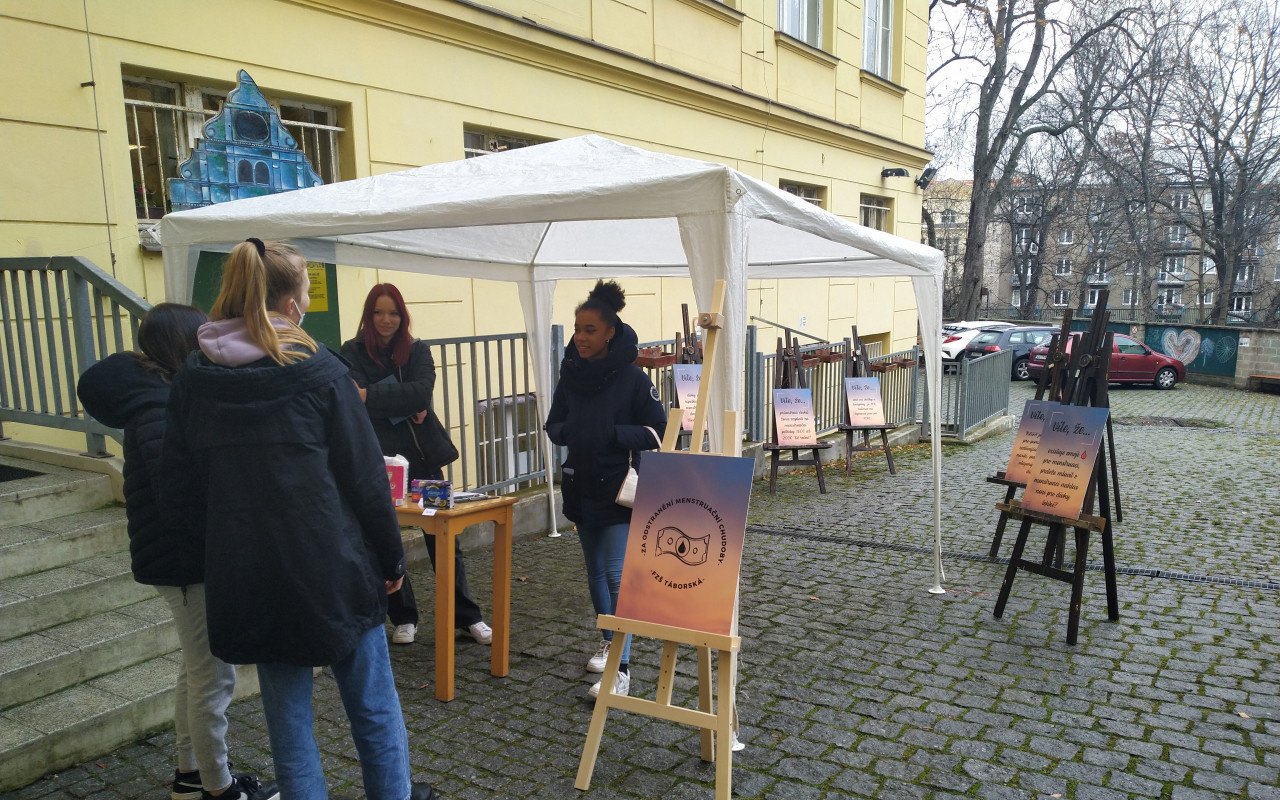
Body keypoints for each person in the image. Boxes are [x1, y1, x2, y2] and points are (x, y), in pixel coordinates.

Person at [161, 239, 436, 800]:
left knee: (289, 728)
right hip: (333, 569)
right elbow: (365, 481)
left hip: (249, 576)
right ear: (288, 306)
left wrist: (207, 565)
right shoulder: (319, 372)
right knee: (374, 714)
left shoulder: (194, 377)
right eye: (307, 292)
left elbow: (179, 487)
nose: (308, 304)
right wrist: (391, 562)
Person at [78, 304, 277, 800]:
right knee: (214, 677)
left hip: (181, 561)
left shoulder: (162, 397)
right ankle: (218, 787)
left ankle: (192, 775)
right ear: (183, 344)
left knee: (197, 672)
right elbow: (182, 497)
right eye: (202, 334)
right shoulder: (158, 407)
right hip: (186, 565)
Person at [341, 283, 492, 648]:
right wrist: (399, 400)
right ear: (368, 315)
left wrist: (374, 396)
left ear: (403, 316)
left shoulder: (418, 349)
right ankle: (403, 616)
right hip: (379, 463)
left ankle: (466, 616)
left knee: (443, 537)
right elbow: (352, 396)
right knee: (384, 539)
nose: (386, 320)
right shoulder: (351, 351)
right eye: (378, 312)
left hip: (423, 460)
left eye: (393, 312)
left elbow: (420, 393)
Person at [544, 280, 666, 698]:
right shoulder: (570, 376)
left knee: (617, 576)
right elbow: (553, 425)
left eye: (590, 329)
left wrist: (611, 434)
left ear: (610, 331)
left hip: (619, 490)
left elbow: (657, 431)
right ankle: (610, 641)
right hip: (581, 485)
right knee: (595, 574)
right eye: (577, 328)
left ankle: (622, 670)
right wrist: (572, 430)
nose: (580, 336)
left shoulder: (632, 379)